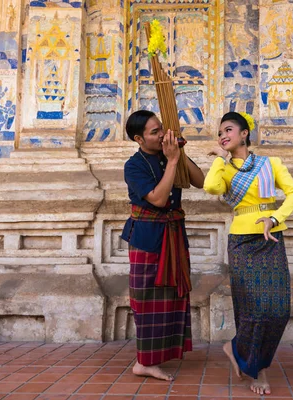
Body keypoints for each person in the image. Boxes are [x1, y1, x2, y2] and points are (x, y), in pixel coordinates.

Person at [203, 112, 293, 394]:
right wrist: (219, 158)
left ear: (244, 133)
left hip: (270, 237)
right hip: (241, 240)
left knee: (278, 309)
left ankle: (235, 348)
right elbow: (211, 187)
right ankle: (258, 370)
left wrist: (275, 217)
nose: (224, 135)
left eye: (229, 129)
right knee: (253, 309)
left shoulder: (270, 164)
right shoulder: (224, 167)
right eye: (220, 132)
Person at [121, 110, 205, 381]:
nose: (161, 135)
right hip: (147, 237)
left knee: (172, 294)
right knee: (146, 299)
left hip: (174, 234)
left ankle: (159, 356)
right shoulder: (133, 166)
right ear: (139, 138)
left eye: (161, 129)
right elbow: (157, 199)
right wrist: (171, 162)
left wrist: (180, 154)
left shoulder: (170, 155)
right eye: (154, 132)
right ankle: (144, 362)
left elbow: (200, 181)